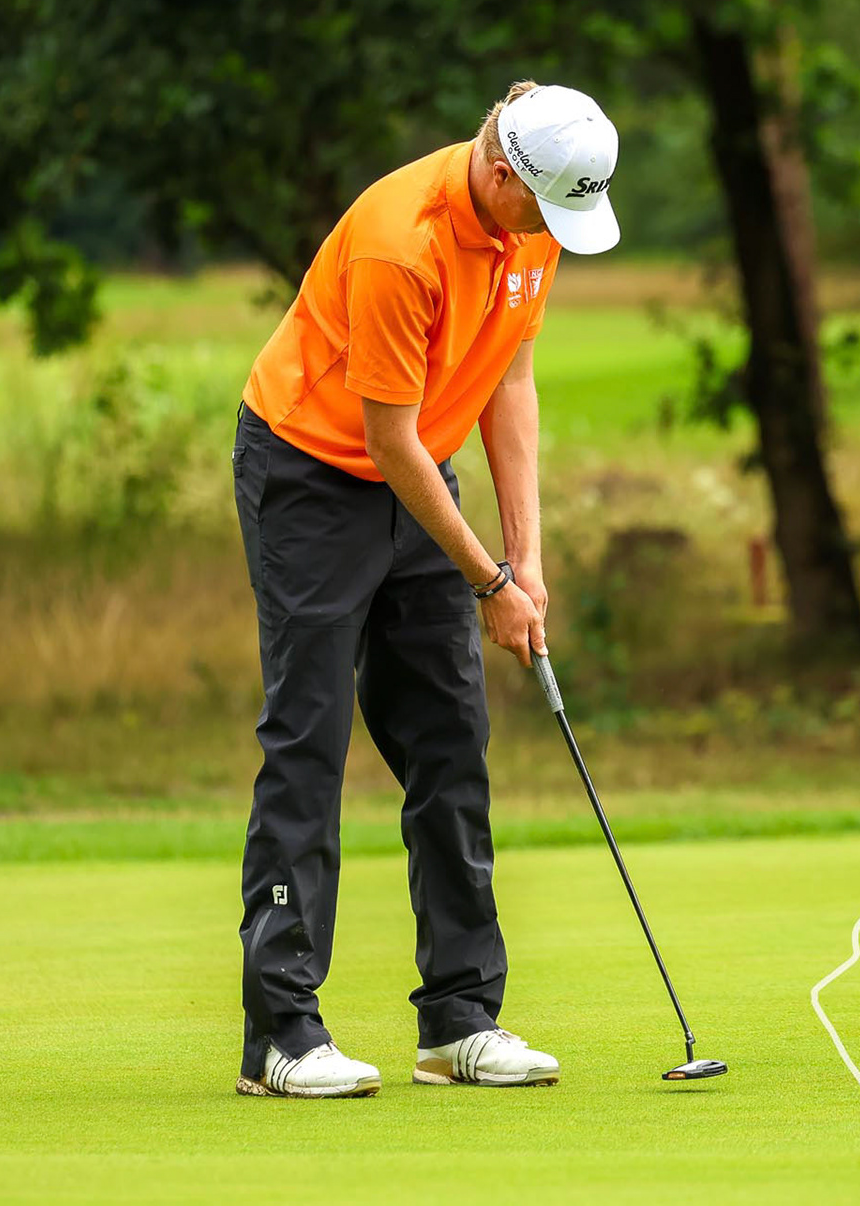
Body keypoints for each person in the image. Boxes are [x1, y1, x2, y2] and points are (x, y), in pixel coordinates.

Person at [230, 81, 619, 1098]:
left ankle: (458, 1018)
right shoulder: (401, 241)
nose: (553, 231)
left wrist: (526, 558)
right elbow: (387, 439)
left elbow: (510, 382)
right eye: (544, 208)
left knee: (450, 736)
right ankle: (282, 1034)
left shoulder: (531, 225)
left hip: (415, 467)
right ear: (501, 171)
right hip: (313, 472)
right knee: (308, 738)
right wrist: (485, 573)